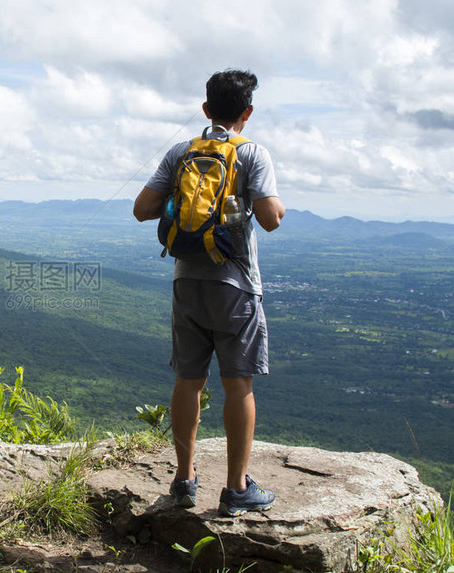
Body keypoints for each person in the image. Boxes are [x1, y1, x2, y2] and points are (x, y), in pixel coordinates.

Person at [133, 69, 285, 517]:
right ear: (247, 112)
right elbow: (272, 218)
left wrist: (182, 207)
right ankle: (236, 489)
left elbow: (142, 209)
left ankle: (184, 480)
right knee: (238, 382)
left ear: (205, 110)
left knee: (188, 380)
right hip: (235, 284)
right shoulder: (252, 153)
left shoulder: (181, 152)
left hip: (186, 279)